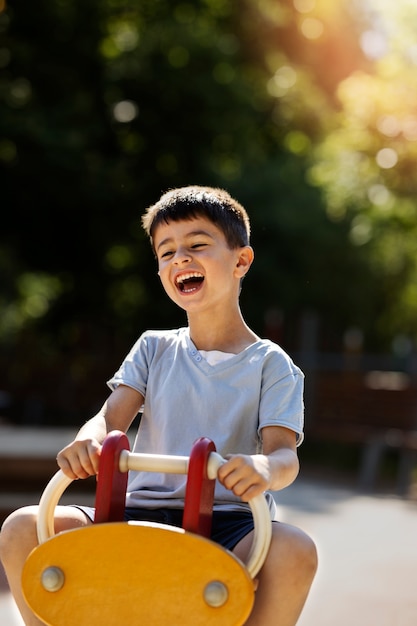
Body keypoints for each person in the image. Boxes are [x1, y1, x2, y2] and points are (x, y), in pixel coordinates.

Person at [0, 185, 317, 625]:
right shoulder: (154, 348)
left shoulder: (271, 364)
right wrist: (88, 440)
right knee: (21, 527)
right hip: (133, 511)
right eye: (166, 253)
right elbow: (110, 418)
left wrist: (263, 469)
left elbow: (284, 455)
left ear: (241, 260)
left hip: (227, 521)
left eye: (197, 245)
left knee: (295, 550)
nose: (180, 259)